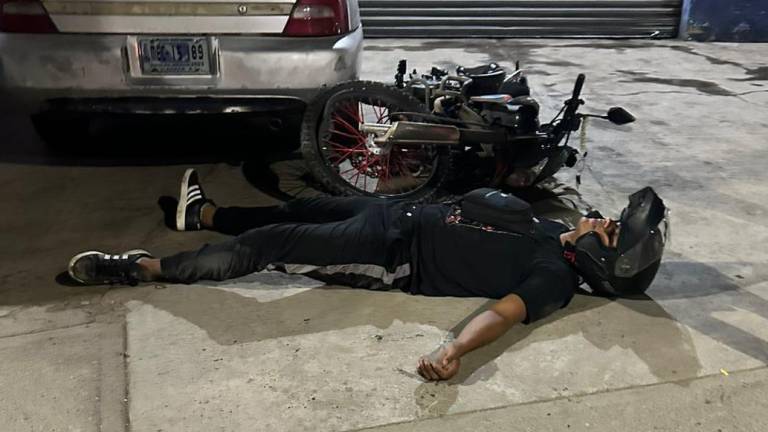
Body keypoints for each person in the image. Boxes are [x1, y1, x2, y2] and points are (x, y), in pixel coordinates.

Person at [67, 169, 668, 382]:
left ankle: (143, 269)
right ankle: (200, 214)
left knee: (272, 245)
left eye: (610, 230)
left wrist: (453, 346)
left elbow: (503, 313)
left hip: (387, 251)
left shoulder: (553, 276)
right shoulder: (551, 228)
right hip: (390, 212)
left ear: (601, 261)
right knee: (295, 209)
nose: (600, 218)